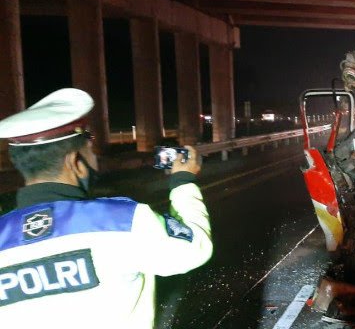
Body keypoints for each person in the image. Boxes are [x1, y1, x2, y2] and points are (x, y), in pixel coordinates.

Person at [0, 88, 212, 328]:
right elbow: (194, 249)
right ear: (75, 162)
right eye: (90, 152)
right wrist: (183, 181)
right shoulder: (123, 221)